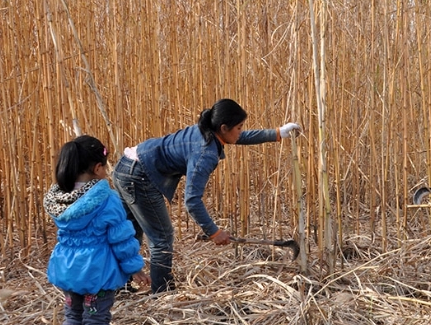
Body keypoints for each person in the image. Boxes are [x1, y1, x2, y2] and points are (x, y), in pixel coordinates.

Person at [111, 98, 300, 294]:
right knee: (162, 238)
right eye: (239, 127)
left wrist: (278, 133)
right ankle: (162, 292)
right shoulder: (205, 154)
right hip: (139, 177)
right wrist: (214, 232)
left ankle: (118, 287)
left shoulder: (208, 128)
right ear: (224, 127)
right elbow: (191, 200)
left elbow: (237, 137)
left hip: (125, 167)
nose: (241, 131)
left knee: (130, 231)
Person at [44, 135, 150, 325]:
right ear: (97, 168)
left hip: (68, 269)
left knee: (73, 314)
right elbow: (121, 238)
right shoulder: (107, 199)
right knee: (96, 321)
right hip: (97, 272)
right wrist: (135, 269)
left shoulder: (59, 199)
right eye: (105, 165)